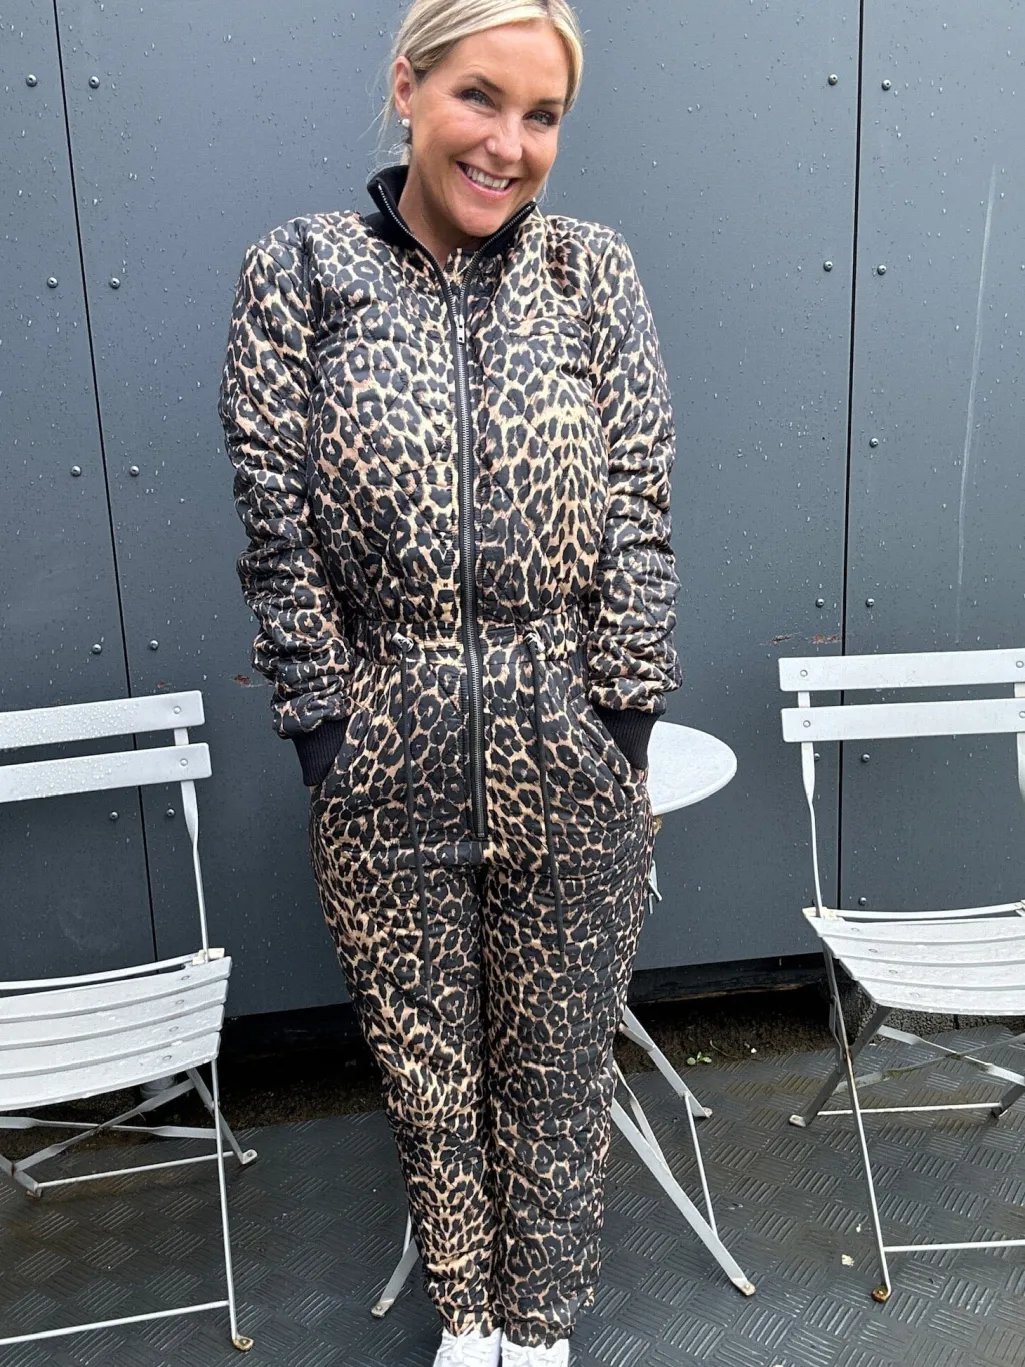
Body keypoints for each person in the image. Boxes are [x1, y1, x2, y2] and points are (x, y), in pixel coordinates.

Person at [217, 2, 682, 1362]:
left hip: (570, 746)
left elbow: (642, 506)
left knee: (559, 1070)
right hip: (386, 747)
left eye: (543, 116)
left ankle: (541, 1332)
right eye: (481, 97)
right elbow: (275, 525)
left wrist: (621, 714)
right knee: (429, 1078)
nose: (508, 144)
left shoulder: (591, 272)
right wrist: (325, 729)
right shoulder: (302, 270)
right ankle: (467, 1324)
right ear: (408, 87)